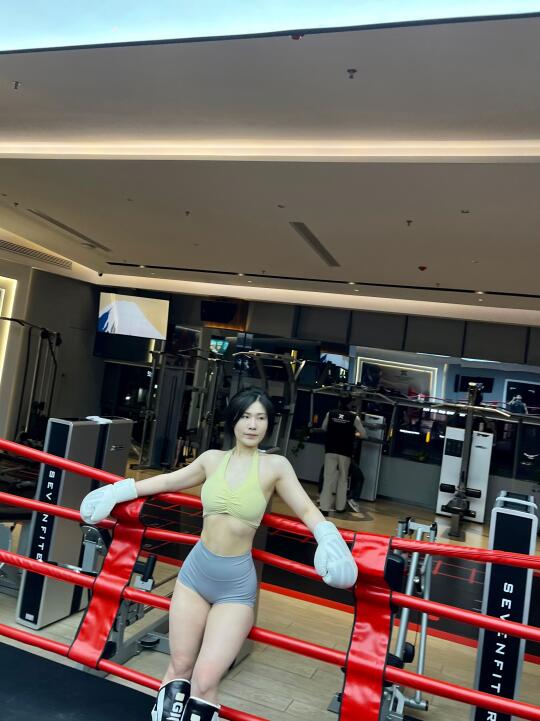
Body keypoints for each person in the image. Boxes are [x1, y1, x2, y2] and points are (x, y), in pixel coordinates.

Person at [80, 388, 358, 721]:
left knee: (205, 680)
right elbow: (168, 481)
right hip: (195, 576)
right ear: (233, 420)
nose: (252, 425)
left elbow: (307, 510)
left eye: (260, 418)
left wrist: (328, 538)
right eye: (246, 416)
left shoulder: (275, 466)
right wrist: (118, 491)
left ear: (269, 424)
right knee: (179, 667)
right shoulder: (212, 459)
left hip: (235, 587)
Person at [320, 396, 367, 515]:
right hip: (345, 452)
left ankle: (324, 508)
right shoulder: (354, 417)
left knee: (328, 479)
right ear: (350, 404)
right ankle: (340, 507)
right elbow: (363, 434)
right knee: (343, 480)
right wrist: (354, 434)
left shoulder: (330, 413)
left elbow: (324, 428)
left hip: (330, 450)